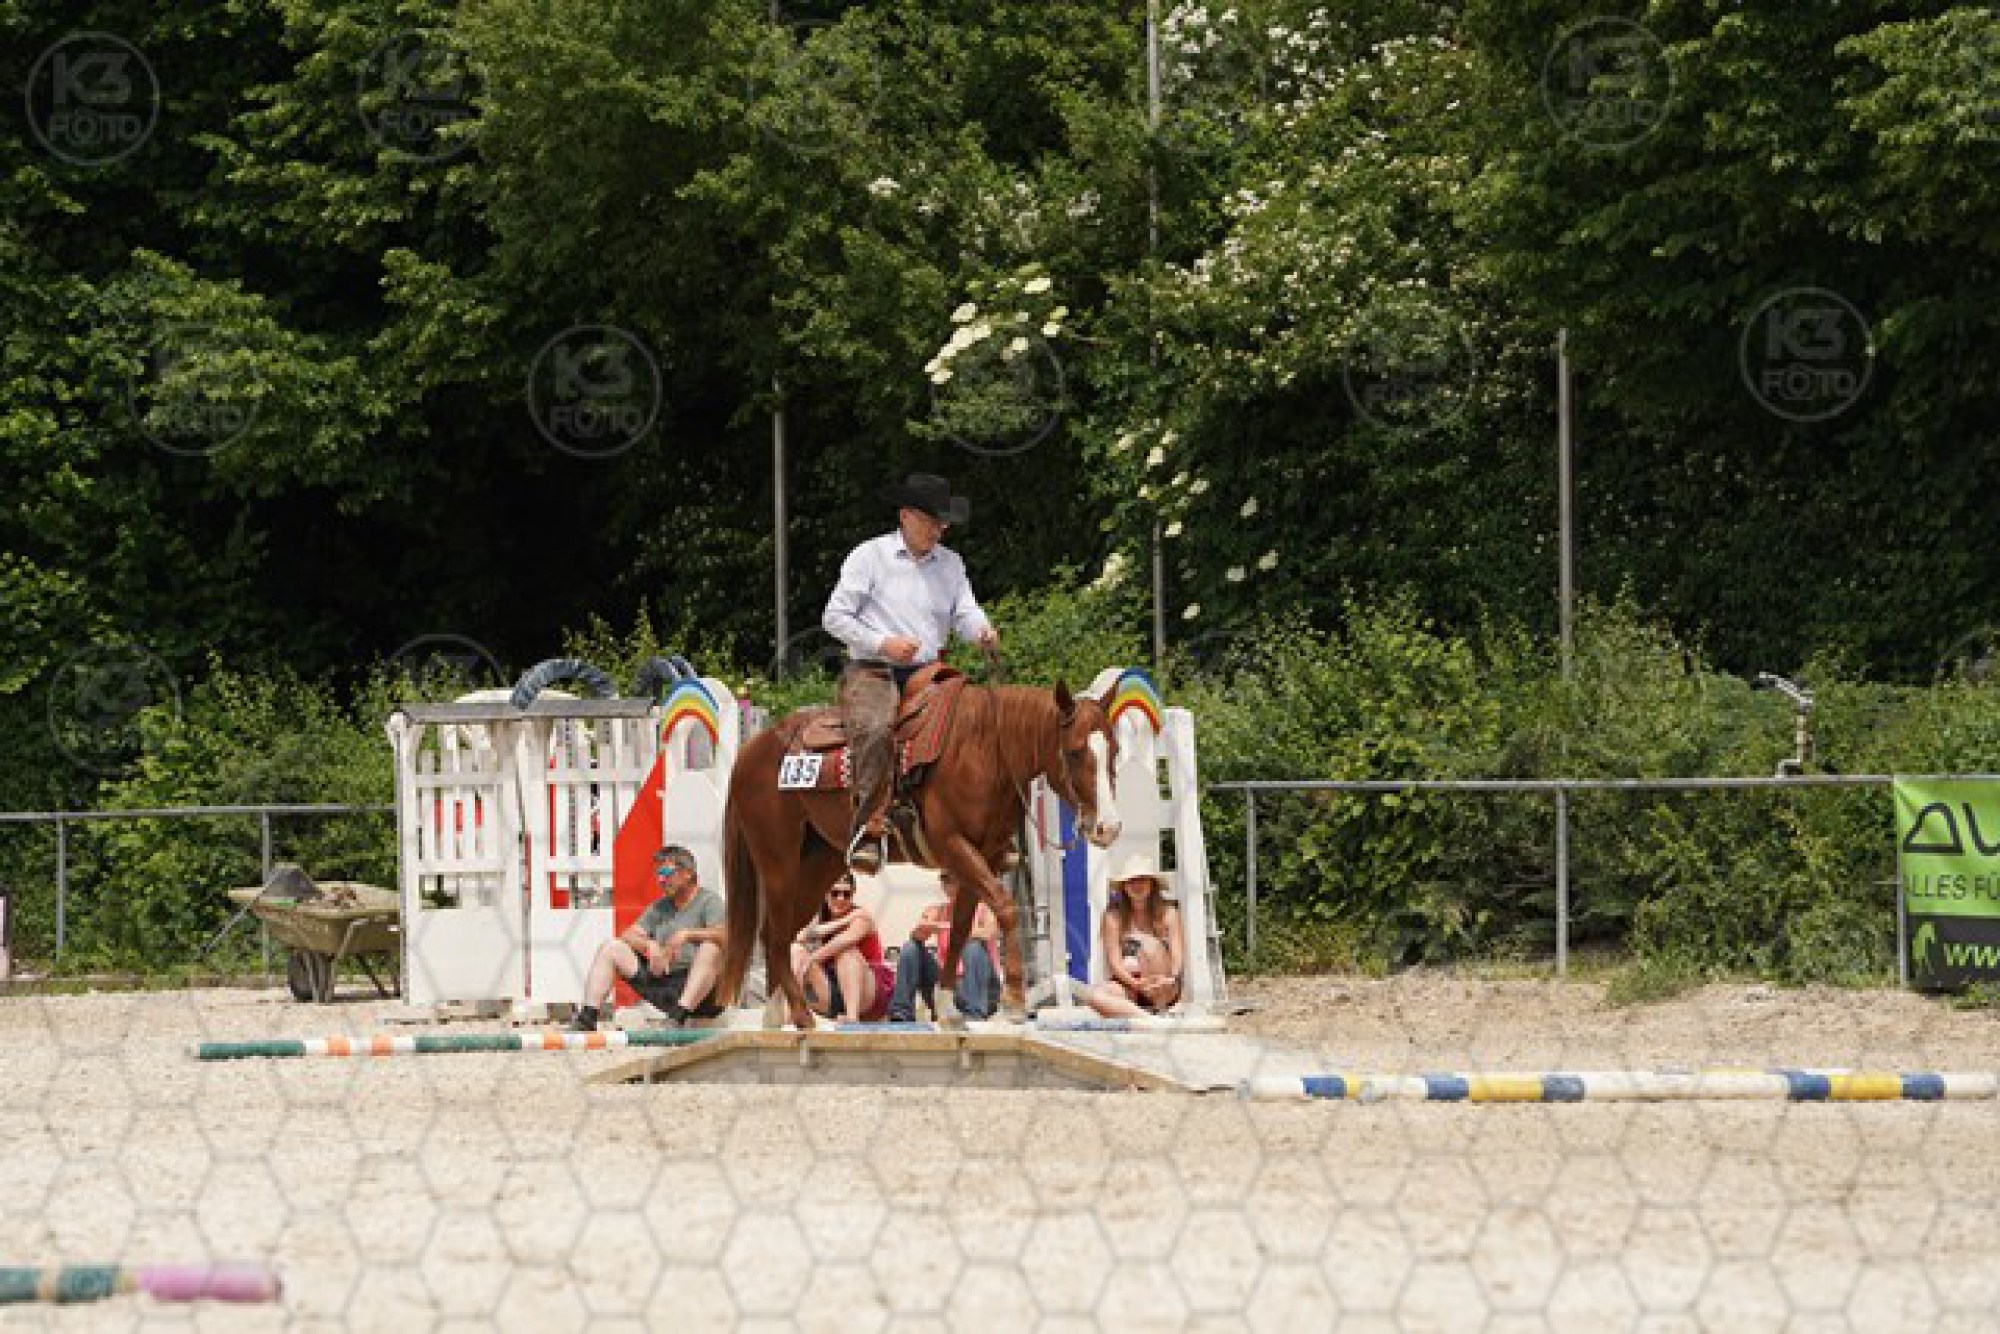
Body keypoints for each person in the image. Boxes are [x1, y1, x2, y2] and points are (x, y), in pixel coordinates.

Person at [822, 472, 1000, 874]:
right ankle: (868, 828)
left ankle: (982, 824)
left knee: (978, 722)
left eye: (942, 522)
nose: (939, 529)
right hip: (873, 669)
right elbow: (834, 616)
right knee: (875, 727)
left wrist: (982, 631)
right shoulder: (869, 557)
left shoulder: (951, 564)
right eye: (931, 520)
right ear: (905, 516)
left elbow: (965, 612)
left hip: (930, 671)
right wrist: (883, 643)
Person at [570, 845, 726, 1031]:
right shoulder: (659, 907)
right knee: (611, 947)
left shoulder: (709, 901)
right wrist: (649, 945)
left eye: (666, 873)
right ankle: (587, 1017)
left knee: (711, 947)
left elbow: (726, 935)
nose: (661, 880)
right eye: (658, 874)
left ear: (688, 874)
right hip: (667, 983)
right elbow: (628, 934)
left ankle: (678, 1016)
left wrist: (687, 934)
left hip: (705, 995)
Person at [886, 872, 1001, 1022]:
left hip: (980, 987)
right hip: (947, 985)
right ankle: (901, 1013)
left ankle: (974, 1016)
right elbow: (917, 934)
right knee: (911, 947)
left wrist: (944, 927)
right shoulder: (937, 910)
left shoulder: (985, 909)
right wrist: (926, 928)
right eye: (945, 879)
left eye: (954, 879)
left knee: (972, 947)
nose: (949, 885)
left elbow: (988, 932)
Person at [1083, 853, 1185, 1018]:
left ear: (1152, 884)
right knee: (1095, 996)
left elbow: (1177, 956)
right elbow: (1114, 962)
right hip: (1130, 984)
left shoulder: (1169, 913)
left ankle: (1154, 1011)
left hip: (1163, 983)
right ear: (1124, 886)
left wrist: (1170, 980)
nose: (1137, 885)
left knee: (1149, 944)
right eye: (1131, 880)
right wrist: (1136, 984)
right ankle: (1149, 1020)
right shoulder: (1113, 916)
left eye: (1142, 880)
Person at [791, 873, 895, 1023]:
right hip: (833, 990)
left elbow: (841, 943)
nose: (840, 899)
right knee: (796, 951)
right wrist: (842, 921)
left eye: (846, 894)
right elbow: (799, 937)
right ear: (826, 894)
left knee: (846, 952)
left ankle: (852, 1019)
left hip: (868, 992)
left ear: (853, 895)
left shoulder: (862, 918)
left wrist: (809, 960)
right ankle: (793, 1014)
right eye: (835, 893)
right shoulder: (825, 918)